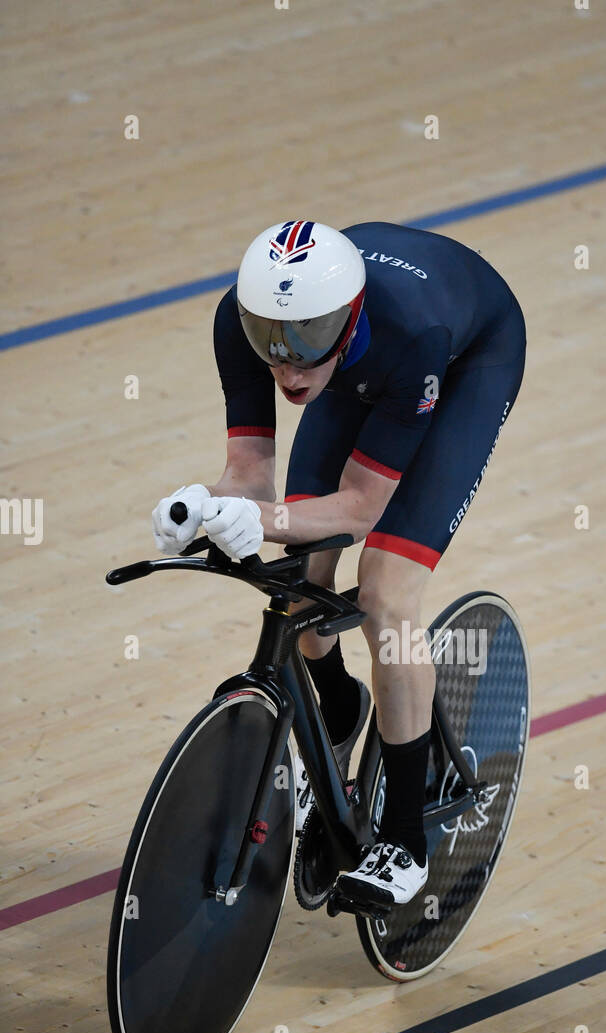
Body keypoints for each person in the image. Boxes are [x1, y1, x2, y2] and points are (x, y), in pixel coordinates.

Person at [152, 219, 525, 906]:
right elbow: (250, 480)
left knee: (386, 593)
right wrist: (200, 505)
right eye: (273, 343)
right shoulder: (249, 323)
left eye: (306, 344)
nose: (289, 369)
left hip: (464, 361)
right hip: (360, 375)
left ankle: (405, 839)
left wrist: (257, 520)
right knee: (302, 590)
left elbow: (359, 507)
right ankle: (343, 702)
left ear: (348, 318)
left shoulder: (415, 334)